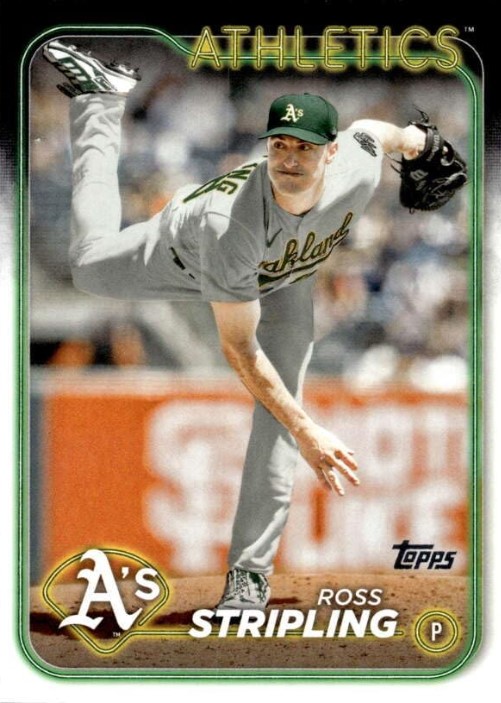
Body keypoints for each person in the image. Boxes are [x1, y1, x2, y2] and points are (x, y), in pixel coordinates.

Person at [42, 39, 426, 611]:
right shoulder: (231, 224)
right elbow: (240, 350)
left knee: (279, 414)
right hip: (185, 257)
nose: (289, 158)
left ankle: (249, 577)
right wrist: (309, 430)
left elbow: (375, 130)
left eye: (305, 147)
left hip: (288, 278)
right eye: (280, 144)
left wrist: (418, 141)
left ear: (331, 153)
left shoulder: (357, 166)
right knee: (89, 267)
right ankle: (100, 99)